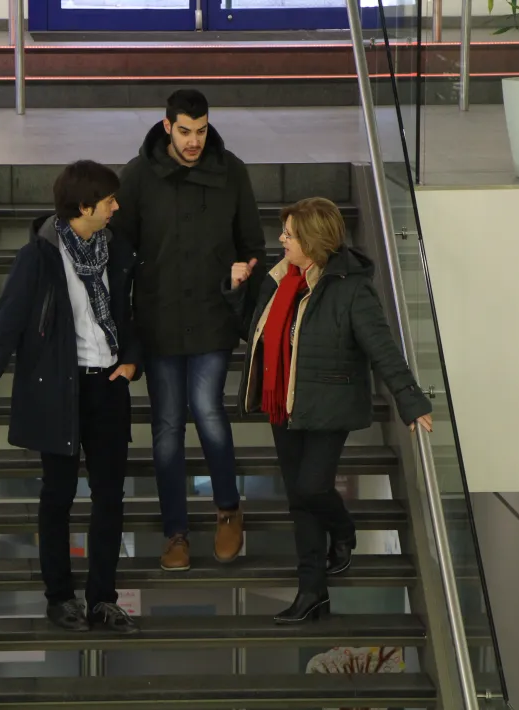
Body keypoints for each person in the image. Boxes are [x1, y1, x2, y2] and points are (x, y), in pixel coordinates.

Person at [0, 160, 142, 634]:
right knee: (57, 497)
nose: (116, 207)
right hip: (59, 391)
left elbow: (133, 314)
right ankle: (60, 597)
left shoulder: (117, 249)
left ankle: (103, 599)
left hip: (108, 386)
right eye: (108, 201)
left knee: (109, 499)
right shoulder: (38, 257)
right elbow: (4, 331)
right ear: (83, 207)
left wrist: (132, 359)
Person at [224, 197, 433, 625]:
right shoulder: (280, 279)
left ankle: (343, 531)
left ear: (313, 239)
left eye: (289, 234)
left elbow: (382, 349)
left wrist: (410, 401)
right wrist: (239, 291)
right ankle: (311, 591)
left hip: (329, 405)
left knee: (313, 487)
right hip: (282, 402)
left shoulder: (352, 287)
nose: (281, 240)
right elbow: (256, 335)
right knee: (299, 497)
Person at [110, 88, 266, 572]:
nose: (194, 141)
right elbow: (120, 254)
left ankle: (227, 510)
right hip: (157, 320)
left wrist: (242, 274)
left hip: (213, 314)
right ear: (166, 126)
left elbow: (253, 243)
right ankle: (175, 532)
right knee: (167, 430)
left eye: (200, 131)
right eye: (184, 131)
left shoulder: (231, 171)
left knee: (207, 411)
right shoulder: (137, 177)